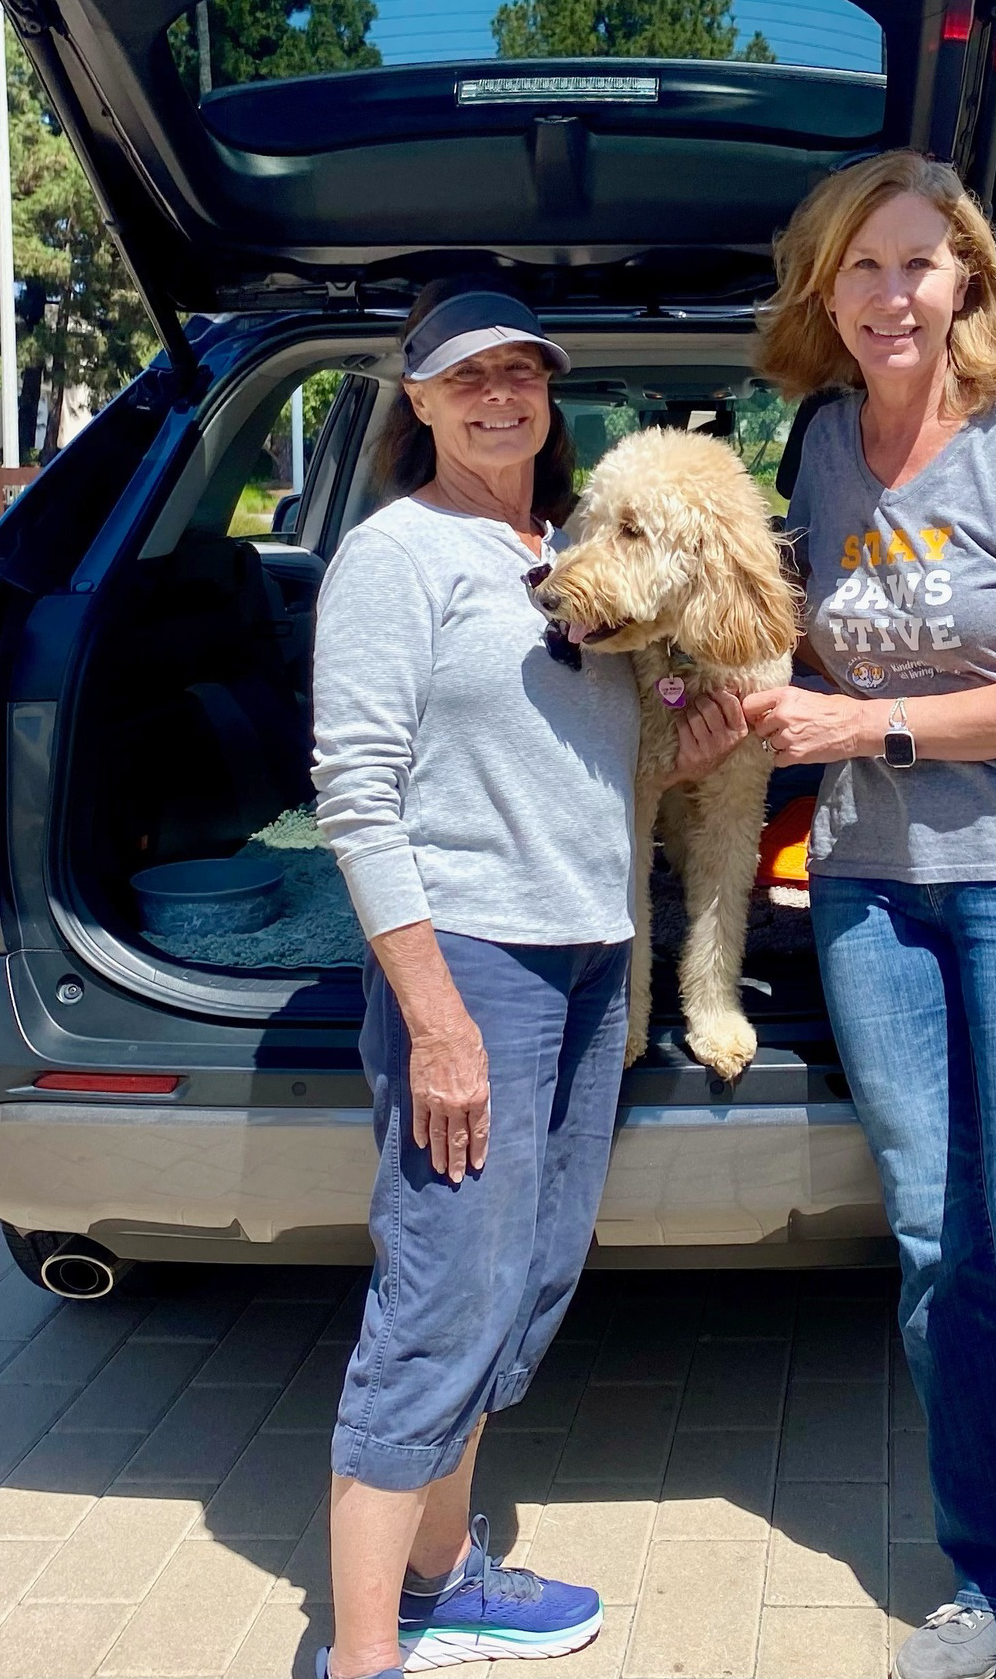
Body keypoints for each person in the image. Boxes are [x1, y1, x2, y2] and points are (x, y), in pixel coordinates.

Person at [744, 153, 996, 1679]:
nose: (890, 294)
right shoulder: (820, 447)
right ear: (823, 292)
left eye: (919, 263)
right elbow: (794, 643)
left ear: (970, 284)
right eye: (859, 267)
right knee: (936, 1244)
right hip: (876, 894)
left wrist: (867, 733)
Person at [310, 277, 744, 1679]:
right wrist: (435, 1019)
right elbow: (357, 797)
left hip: (588, 960)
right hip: (474, 968)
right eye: (467, 376)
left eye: (523, 375)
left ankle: (446, 1583)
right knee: (441, 1301)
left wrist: (703, 738)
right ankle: (366, 1653)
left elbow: (601, 770)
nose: (500, 396)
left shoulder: (567, 556)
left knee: (526, 1282)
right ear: (418, 401)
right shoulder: (397, 559)